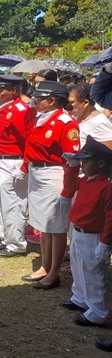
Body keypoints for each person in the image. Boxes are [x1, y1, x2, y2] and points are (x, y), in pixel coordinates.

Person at [18, 81, 79, 289]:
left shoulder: (65, 122)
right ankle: (45, 266)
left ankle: (54, 273)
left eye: (39, 98)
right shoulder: (39, 119)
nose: (34, 101)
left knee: (56, 226)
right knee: (43, 225)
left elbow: (72, 160)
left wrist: (67, 191)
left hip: (54, 174)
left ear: (52, 101)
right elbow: (30, 145)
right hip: (37, 173)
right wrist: (25, 167)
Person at [58, 137, 112, 329]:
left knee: (94, 273)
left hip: (94, 235)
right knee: (78, 267)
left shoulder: (107, 185)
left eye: (85, 161)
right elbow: (71, 185)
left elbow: (110, 217)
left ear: (100, 163)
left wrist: (105, 243)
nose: (82, 165)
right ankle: (80, 297)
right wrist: (71, 167)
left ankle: (98, 311)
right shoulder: (87, 180)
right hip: (79, 231)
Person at [0, 74, 37, 258]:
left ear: (14, 91)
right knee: (1, 203)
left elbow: (28, 139)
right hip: (1, 161)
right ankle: (6, 238)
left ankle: (16, 244)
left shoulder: (19, 110)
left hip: (13, 162)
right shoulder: (6, 108)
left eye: (1, 91)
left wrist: (25, 166)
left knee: (14, 205)